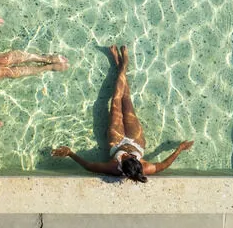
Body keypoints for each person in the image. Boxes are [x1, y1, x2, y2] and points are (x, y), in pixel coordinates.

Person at [51, 45, 194, 182]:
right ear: (137, 161)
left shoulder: (114, 167)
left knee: (115, 100)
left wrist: (70, 153)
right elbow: (163, 165)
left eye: (124, 157)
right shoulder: (145, 167)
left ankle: (121, 65)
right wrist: (179, 149)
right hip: (136, 142)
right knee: (126, 99)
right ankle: (123, 65)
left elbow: (89, 166)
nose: (126, 154)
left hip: (116, 142)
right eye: (129, 156)